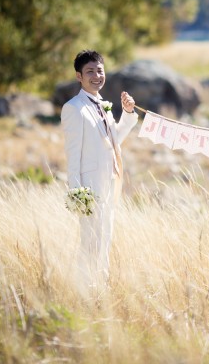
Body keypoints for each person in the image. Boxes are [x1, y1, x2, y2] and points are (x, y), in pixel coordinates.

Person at [61, 50, 139, 290]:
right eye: (90, 71)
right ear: (79, 76)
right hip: (89, 186)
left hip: (109, 182)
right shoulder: (74, 108)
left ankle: (101, 288)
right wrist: (77, 193)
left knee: (105, 237)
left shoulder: (102, 104)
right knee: (90, 241)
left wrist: (127, 112)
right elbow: (72, 155)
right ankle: (84, 290)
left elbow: (115, 140)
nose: (96, 76)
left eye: (100, 71)